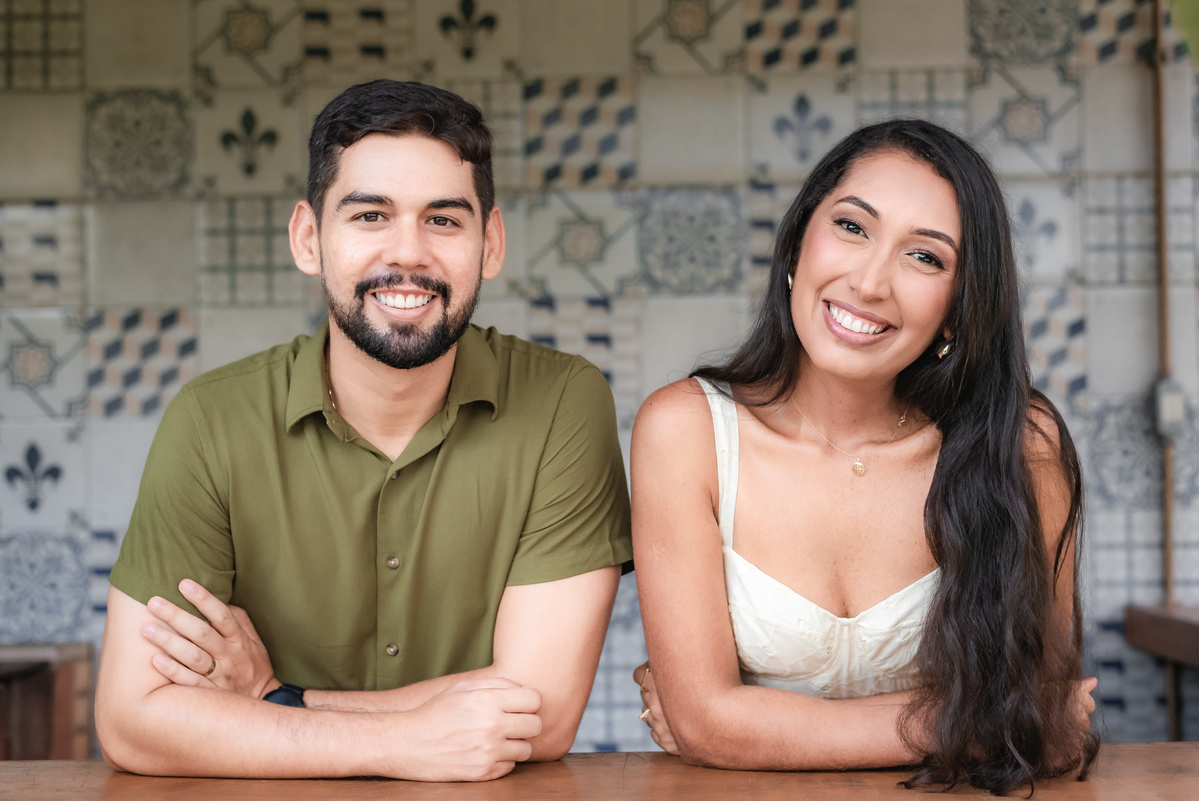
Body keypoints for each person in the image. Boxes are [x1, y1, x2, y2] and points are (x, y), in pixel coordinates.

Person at [94, 80, 632, 782]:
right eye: (371, 215)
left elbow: (539, 711)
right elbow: (134, 718)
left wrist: (276, 700)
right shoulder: (208, 421)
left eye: (443, 220)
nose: (407, 254)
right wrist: (402, 741)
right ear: (308, 238)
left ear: (490, 243)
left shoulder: (565, 401)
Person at [629, 119, 1098, 794]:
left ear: (960, 304)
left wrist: (750, 727)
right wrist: (981, 720)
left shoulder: (1023, 444)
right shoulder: (685, 430)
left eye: (926, 257)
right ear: (798, 241)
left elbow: (1049, 723)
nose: (871, 281)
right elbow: (706, 722)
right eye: (853, 227)